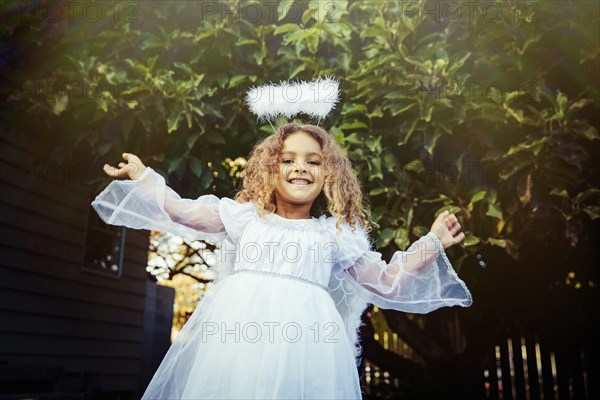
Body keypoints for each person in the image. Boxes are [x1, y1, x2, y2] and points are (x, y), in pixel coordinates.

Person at [92, 122, 472, 399]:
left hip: (308, 345)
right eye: (287, 159)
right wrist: (143, 177)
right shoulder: (246, 217)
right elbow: (181, 212)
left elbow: (388, 281)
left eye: (313, 161)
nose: (300, 167)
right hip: (238, 338)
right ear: (270, 170)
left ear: (329, 175)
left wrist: (433, 241)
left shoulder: (335, 235)